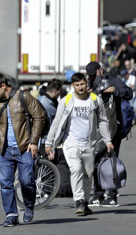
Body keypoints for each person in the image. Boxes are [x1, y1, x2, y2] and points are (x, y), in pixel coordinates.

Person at [45, 72, 114, 216]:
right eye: (77, 85)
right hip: (71, 142)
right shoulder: (66, 100)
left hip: (89, 144)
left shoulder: (95, 100)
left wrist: (108, 140)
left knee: (88, 175)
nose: (80, 87)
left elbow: (102, 121)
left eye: (82, 84)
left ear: (86, 84)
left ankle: (85, 202)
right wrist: (49, 142)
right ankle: (79, 201)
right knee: (75, 169)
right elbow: (56, 123)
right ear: (73, 86)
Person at [0, 72, 46, 227]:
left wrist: (34, 141)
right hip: (3, 150)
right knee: (5, 184)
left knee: (27, 181)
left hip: (24, 148)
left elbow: (39, 115)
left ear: (3, 86)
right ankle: (11, 214)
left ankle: (29, 205)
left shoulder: (23, 97)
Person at [86, 62, 132, 207]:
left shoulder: (113, 81)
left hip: (114, 129)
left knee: (111, 161)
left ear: (101, 70)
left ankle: (112, 195)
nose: (93, 77)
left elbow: (130, 93)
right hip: (95, 130)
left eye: (95, 74)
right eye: (91, 75)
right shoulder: (89, 84)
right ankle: (98, 194)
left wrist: (115, 90)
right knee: (95, 162)